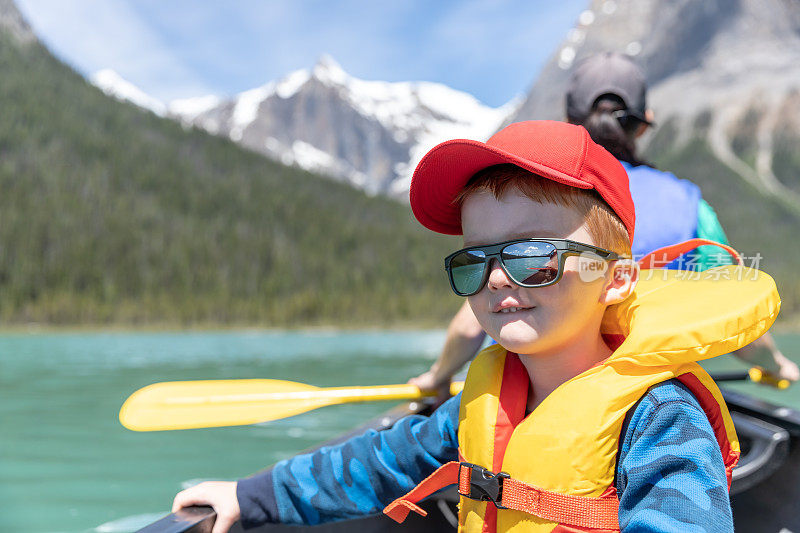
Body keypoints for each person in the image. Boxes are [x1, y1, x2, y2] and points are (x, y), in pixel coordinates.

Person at [172, 120, 779, 532]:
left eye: (531, 256)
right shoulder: (482, 400)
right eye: (475, 259)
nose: (495, 279)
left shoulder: (661, 418)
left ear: (615, 280)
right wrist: (251, 497)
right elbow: (382, 462)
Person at [409, 52, 798, 400]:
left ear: (569, 123)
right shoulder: (690, 205)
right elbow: (731, 312)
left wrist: (438, 376)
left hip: (554, 394)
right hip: (658, 392)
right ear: (643, 126)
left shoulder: (538, 200)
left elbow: (467, 327)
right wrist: (775, 364)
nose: (499, 278)